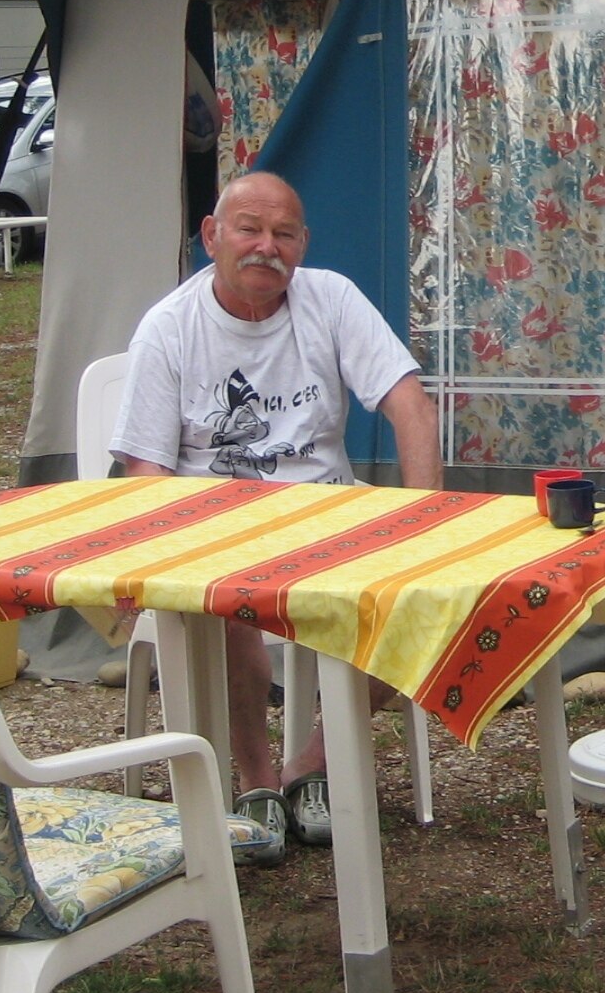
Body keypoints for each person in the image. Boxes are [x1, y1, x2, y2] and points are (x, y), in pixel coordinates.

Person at [110, 169, 441, 843]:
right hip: (213, 522)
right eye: (249, 229)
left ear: (302, 243)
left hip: (327, 516)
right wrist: (151, 555)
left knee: (418, 599)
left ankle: (312, 765)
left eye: (284, 233)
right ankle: (256, 779)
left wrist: (424, 523)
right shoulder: (168, 329)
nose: (267, 246)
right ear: (212, 236)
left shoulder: (331, 299)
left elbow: (410, 405)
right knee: (229, 603)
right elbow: (145, 471)